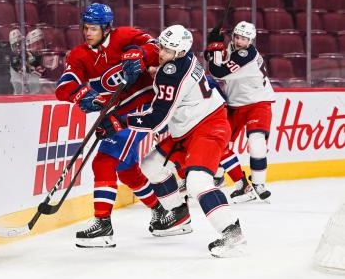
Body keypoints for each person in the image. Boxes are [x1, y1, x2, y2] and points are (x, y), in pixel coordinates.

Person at [96, 25, 247, 257]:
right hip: (187, 127)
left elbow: (157, 118)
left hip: (208, 127)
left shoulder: (172, 71)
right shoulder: (181, 59)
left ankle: (233, 234)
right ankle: (177, 214)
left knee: (198, 181)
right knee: (151, 165)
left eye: (167, 51)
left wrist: (120, 122)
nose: (162, 53)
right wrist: (153, 68)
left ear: (179, 53)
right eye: (162, 47)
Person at [54, 3, 190, 248]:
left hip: (143, 105)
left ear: (106, 28)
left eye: (93, 28)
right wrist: (80, 95)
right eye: (85, 27)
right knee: (126, 167)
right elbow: (64, 85)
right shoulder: (79, 54)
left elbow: (155, 47)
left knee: (104, 160)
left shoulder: (124, 35)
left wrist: (138, 53)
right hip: (118, 111)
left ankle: (103, 225)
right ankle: (161, 212)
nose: (88, 32)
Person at [204, 21, 275, 203]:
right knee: (220, 142)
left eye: (244, 38)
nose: (239, 41)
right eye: (237, 37)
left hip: (258, 102)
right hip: (234, 104)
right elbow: (211, 58)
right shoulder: (231, 48)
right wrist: (214, 43)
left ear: (250, 40)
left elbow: (217, 72)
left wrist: (214, 48)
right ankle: (221, 176)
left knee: (256, 140)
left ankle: (259, 183)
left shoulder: (247, 54)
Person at [9, 28, 47, 94]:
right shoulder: (15, 61)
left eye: (19, 44)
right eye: (15, 45)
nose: (18, 48)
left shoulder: (33, 57)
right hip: (23, 97)